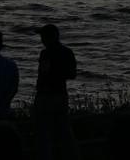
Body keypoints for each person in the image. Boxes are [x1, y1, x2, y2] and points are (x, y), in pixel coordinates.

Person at [33, 24, 80, 160]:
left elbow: (43, 72)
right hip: (61, 95)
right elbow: (72, 75)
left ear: (50, 37)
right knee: (66, 133)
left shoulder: (45, 53)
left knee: (43, 137)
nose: (41, 39)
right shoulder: (68, 52)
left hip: (46, 97)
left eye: (43, 36)